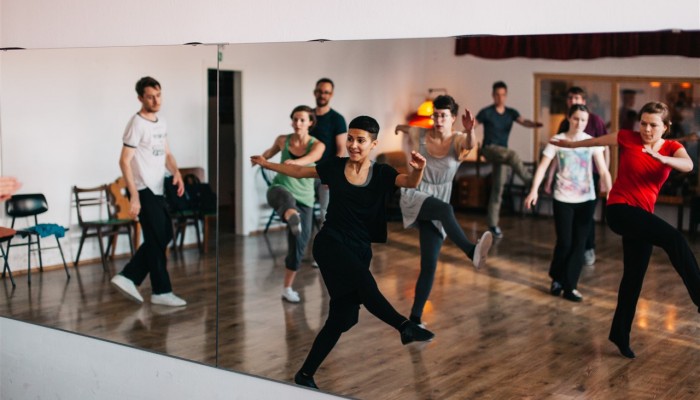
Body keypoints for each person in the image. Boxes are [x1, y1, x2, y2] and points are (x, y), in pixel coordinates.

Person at [251, 116, 434, 390]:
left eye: (360, 140)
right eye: (350, 138)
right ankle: (403, 326)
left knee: (343, 317)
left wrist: (419, 170)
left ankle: (305, 374)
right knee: (365, 283)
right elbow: (300, 172)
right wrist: (266, 163)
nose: (353, 145)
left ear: (373, 144)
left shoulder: (382, 173)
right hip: (330, 243)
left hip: (359, 248)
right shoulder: (335, 167)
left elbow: (409, 181)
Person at [551, 101, 700, 359]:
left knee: (633, 277)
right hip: (620, 210)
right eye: (643, 123)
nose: (646, 129)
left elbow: (688, 166)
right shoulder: (627, 137)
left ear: (665, 127)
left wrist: (662, 158)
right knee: (674, 238)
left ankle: (619, 334)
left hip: (641, 217)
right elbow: (595, 141)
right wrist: (570, 145)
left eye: (653, 125)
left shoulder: (672, 148)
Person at [395, 95, 493, 326]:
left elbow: (469, 144)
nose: (438, 120)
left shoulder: (459, 139)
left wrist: (470, 130)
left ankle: (415, 319)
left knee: (430, 264)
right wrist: (399, 127)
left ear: (453, 118)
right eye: (436, 115)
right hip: (416, 194)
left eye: (444, 116)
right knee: (446, 210)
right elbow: (407, 128)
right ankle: (471, 251)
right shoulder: (420, 134)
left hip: (439, 199)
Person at [110, 76, 187, 307]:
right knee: (156, 238)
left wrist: (176, 172)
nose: (156, 100)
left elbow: (167, 153)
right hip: (142, 189)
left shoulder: (161, 122)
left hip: (157, 188)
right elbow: (124, 161)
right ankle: (161, 291)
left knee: (164, 235)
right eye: (150, 97)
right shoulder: (136, 123)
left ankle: (129, 276)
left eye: (158, 95)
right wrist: (134, 195)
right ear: (140, 98)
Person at [525, 105, 612, 302]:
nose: (579, 123)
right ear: (568, 118)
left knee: (579, 244)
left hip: (586, 199)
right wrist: (534, 190)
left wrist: (610, 191)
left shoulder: (591, 141)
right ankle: (557, 278)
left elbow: (603, 170)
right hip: (563, 198)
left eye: (583, 120)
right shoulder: (558, 140)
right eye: (576, 119)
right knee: (565, 242)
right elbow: (543, 167)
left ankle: (570, 286)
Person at [257, 105, 325, 303]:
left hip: (305, 198)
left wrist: (297, 163)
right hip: (281, 188)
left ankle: (287, 288)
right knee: (285, 198)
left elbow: (312, 158)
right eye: (295, 119)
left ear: (310, 122)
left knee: (299, 245)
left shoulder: (318, 145)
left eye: (302, 120)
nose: (298, 123)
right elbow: (269, 153)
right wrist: (261, 159)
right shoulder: (283, 140)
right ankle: (291, 215)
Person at [476, 81, 543, 238]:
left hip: (503, 154)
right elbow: (472, 125)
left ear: (506, 96)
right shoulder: (486, 112)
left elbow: (523, 121)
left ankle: (493, 225)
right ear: (493, 95)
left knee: (498, 188)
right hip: (489, 149)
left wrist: (533, 124)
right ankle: (531, 182)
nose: (500, 98)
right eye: (497, 95)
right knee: (512, 155)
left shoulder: (511, 113)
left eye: (503, 95)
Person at [552, 86, 609, 266]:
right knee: (568, 228)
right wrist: (550, 177)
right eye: (570, 98)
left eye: (576, 98)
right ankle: (570, 253)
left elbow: (605, 146)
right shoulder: (564, 122)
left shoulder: (595, 120)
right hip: (569, 177)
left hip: (591, 174)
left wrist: (604, 175)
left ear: (583, 101)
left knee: (586, 216)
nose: (573, 101)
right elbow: (558, 153)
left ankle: (588, 248)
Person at [310, 78, 347, 224]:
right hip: (305, 171)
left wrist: (331, 173)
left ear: (331, 95)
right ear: (314, 92)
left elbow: (341, 149)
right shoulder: (307, 116)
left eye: (326, 92)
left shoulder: (337, 119)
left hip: (325, 173)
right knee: (303, 210)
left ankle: (327, 238)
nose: (322, 95)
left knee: (325, 213)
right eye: (319, 91)